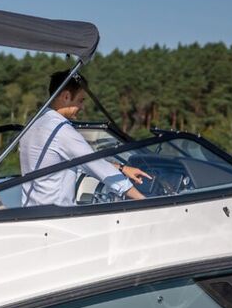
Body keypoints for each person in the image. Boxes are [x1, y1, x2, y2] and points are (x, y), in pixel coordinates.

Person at [18, 71, 150, 207]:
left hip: (30, 212)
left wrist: (122, 168)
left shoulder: (33, 123)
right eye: (80, 100)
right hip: (56, 215)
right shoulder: (62, 130)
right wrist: (145, 200)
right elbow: (97, 166)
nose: (82, 106)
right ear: (66, 96)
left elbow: (78, 162)